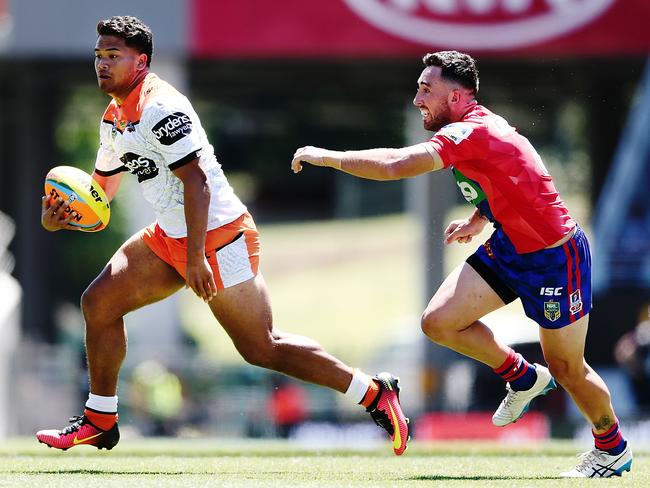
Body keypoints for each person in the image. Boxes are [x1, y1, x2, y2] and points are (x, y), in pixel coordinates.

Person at [36, 15, 408, 456]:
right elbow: (101, 199)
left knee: (261, 347)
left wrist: (195, 259)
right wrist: (61, 219)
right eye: (99, 56)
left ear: (142, 62)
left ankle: (372, 392)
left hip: (219, 235)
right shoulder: (114, 116)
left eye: (113, 56)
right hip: (171, 236)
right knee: (99, 302)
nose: (102, 64)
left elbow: (198, 184)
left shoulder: (161, 107)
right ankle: (100, 419)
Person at [292, 51, 632, 478]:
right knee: (438, 322)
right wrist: (480, 218)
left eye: (425, 89)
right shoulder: (473, 126)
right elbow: (509, 176)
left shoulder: (469, 132)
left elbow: (397, 164)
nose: (418, 97)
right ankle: (523, 377)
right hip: (511, 246)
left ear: (455, 96)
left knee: (567, 369)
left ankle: (611, 448)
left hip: (554, 258)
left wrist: (328, 157)